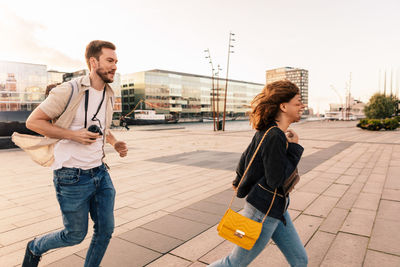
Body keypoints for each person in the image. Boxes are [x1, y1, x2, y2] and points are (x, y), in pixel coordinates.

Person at [22, 40, 128, 267]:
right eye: (110, 60)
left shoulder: (109, 93)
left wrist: (114, 142)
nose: (115, 66)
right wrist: (73, 135)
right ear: (93, 61)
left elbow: (101, 126)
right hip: (71, 176)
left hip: (100, 173)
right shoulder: (68, 90)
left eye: (116, 61)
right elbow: (33, 122)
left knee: (106, 230)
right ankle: (34, 247)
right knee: (74, 235)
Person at [209, 80, 307, 267]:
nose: (301, 106)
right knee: (233, 263)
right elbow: (276, 179)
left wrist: (240, 182)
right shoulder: (275, 135)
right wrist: (294, 149)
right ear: (284, 106)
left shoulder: (267, 130)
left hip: (276, 209)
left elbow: (244, 160)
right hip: (262, 214)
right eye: (297, 103)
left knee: (300, 260)